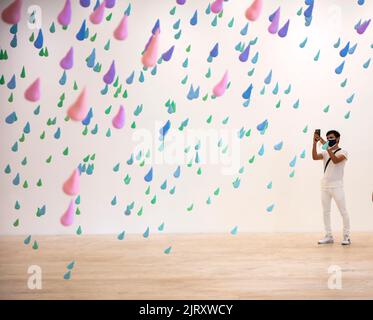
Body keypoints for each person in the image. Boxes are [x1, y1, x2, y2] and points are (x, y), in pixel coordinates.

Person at [312, 130, 351, 245]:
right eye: (327, 138)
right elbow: (314, 157)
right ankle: (328, 236)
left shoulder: (343, 152)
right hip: (325, 186)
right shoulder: (325, 153)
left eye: (331, 138)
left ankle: (346, 236)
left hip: (337, 186)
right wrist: (314, 143)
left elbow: (335, 160)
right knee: (326, 212)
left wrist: (326, 146)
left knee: (343, 211)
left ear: (338, 139)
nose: (329, 140)